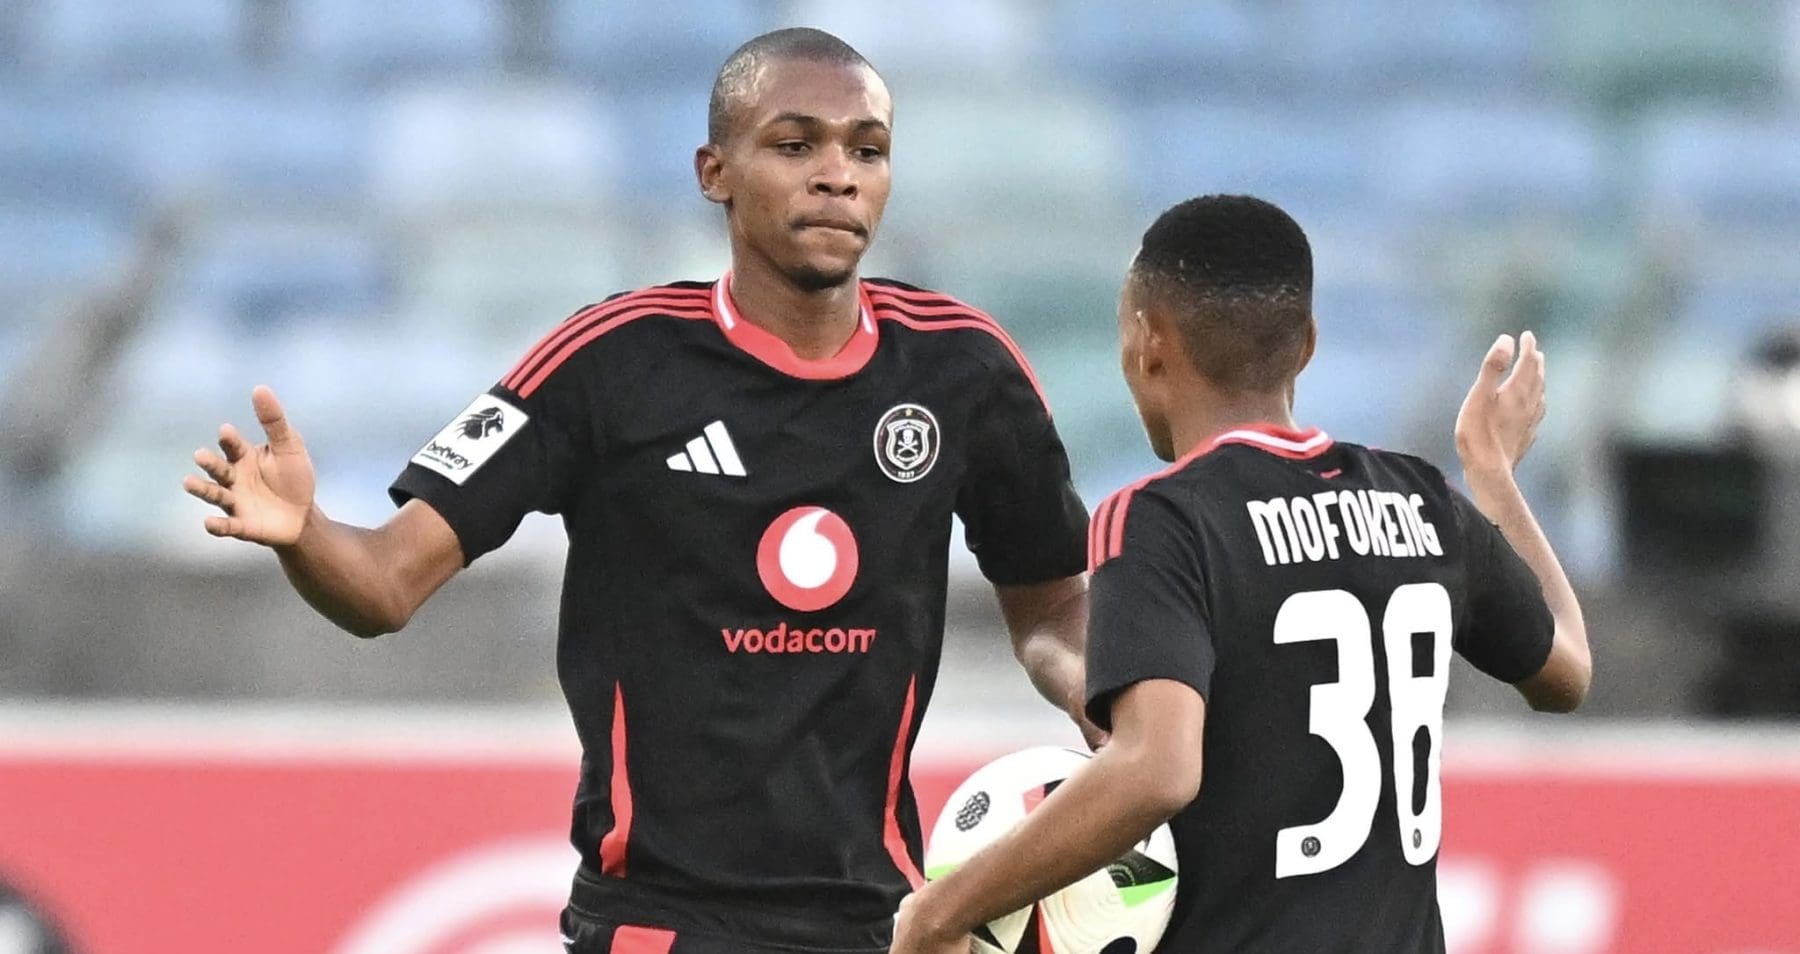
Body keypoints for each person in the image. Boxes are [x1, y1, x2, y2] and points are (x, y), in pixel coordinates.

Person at [181, 28, 1095, 954]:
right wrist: (304, 532)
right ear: (714, 170)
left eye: (867, 149)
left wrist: (1108, 701)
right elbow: (383, 584)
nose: (837, 175)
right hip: (660, 924)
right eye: (794, 144)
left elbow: (1054, 601)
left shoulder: (962, 369)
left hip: (884, 923)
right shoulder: (611, 360)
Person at [892, 195, 1592, 953]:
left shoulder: (1163, 518)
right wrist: (1495, 476)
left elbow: (1155, 769)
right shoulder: (1424, 501)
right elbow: (1567, 672)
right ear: (1309, 344)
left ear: (1146, 339)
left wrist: (943, 911)